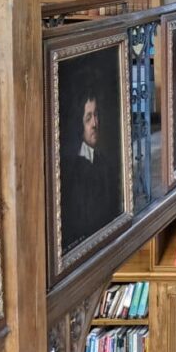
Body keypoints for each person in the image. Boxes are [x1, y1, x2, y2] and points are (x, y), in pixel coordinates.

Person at [60, 93, 119, 247]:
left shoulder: (105, 163)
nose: (95, 123)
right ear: (79, 123)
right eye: (88, 118)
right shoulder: (69, 167)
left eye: (96, 115)